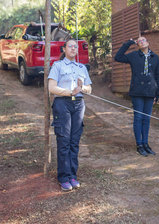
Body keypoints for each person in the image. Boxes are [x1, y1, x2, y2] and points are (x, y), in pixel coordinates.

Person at [48, 39, 92, 191]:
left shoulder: (82, 67)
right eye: (70, 46)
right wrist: (69, 92)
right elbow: (51, 87)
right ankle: (63, 177)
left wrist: (82, 87)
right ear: (64, 49)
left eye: (76, 46)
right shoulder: (57, 65)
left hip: (79, 105)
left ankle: (73, 175)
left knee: (74, 141)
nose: (73, 48)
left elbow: (89, 89)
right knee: (64, 140)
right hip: (63, 103)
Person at [115, 36, 159, 157]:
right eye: (139, 41)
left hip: (150, 92)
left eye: (143, 40)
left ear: (148, 42)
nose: (141, 42)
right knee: (138, 117)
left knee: (146, 119)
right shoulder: (133, 55)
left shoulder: (155, 57)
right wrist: (129, 43)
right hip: (137, 91)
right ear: (138, 44)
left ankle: (146, 143)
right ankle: (139, 145)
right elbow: (118, 57)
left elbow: (158, 75)